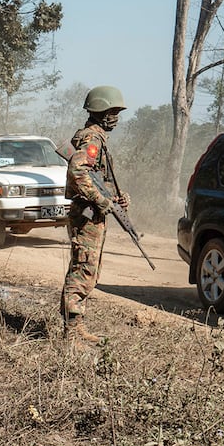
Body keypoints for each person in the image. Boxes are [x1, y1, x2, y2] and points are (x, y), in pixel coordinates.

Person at [61, 85, 129, 346]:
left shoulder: (98, 138)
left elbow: (96, 178)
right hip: (87, 214)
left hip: (92, 214)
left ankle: (77, 326)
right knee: (83, 268)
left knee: (89, 269)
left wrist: (115, 197)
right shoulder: (92, 138)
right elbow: (78, 173)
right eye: (112, 111)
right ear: (100, 111)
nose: (116, 117)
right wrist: (101, 201)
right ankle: (72, 330)